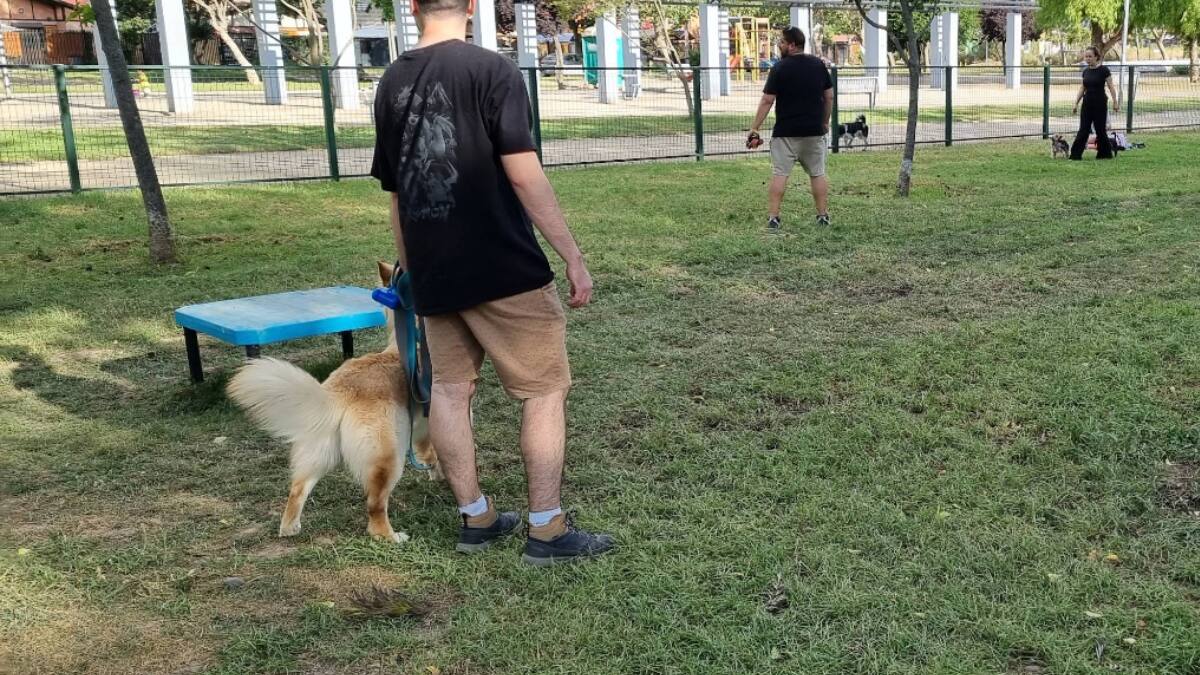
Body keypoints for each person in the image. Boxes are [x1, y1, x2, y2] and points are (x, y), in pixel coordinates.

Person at [369, 0, 614, 566]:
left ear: (412, 6)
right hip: (504, 267)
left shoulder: (391, 81)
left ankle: (475, 518)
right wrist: (572, 256)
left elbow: (397, 197)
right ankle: (547, 529)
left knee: (451, 392)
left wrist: (410, 271)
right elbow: (524, 175)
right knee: (543, 390)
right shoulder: (493, 71)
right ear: (473, 6)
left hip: (433, 271)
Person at [747, 27, 833, 233]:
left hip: (785, 133)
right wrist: (825, 121)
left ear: (792, 44)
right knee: (817, 174)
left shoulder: (779, 68)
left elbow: (768, 100)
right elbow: (829, 96)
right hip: (814, 132)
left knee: (780, 174)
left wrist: (755, 128)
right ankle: (822, 216)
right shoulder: (818, 65)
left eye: (782, 42)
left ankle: (774, 218)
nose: (779, 45)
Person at [1070, 46, 1120, 161]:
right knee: (1083, 129)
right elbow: (1082, 88)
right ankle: (1075, 155)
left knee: (1100, 130)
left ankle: (1104, 154)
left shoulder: (1104, 70)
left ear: (1096, 57)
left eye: (1090, 56)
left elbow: (1111, 87)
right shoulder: (1086, 71)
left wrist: (1115, 102)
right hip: (1087, 104)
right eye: (1086, 57)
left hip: (1100, 104)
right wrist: (1075, 104)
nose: (1087, 59)